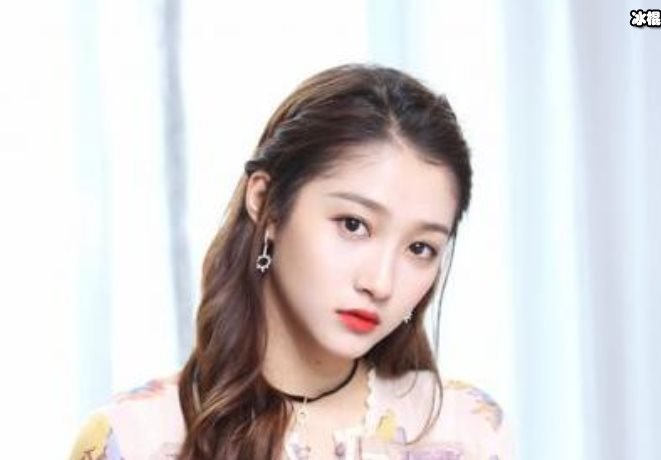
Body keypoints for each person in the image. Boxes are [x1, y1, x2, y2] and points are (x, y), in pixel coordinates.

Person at [70, 63, 513, 460]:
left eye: (420, 248)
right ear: (267, 205)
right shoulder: (134, 439)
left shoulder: (469, 430)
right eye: (353, 225)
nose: (380, 282)